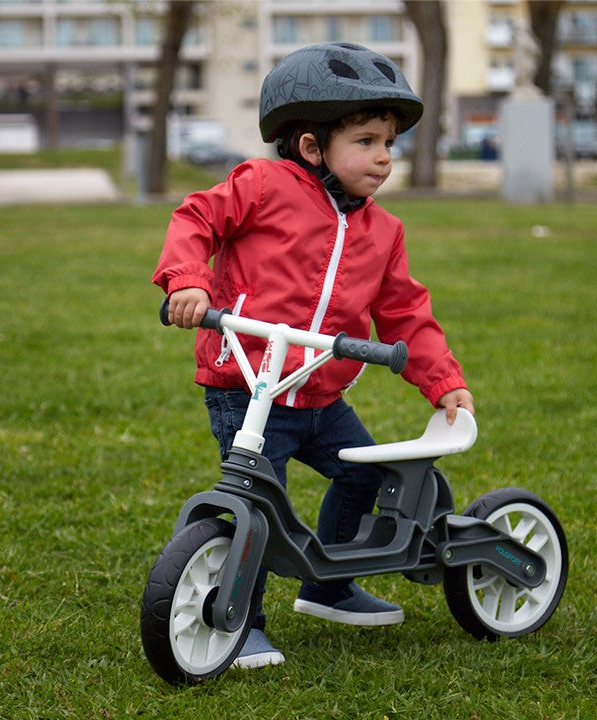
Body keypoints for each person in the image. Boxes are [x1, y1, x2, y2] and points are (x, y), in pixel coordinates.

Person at [152, 43, 474, 670]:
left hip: (321, 394)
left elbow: (406, 313)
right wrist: (188, 279)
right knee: (257, 504)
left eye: (390, 143)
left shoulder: (384, 230)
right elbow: (196, 218)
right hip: (248, 388)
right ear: (310, 146)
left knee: (364, 476)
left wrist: (442, 382)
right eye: (367, 141)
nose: (384, 157)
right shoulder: (263, 186)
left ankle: (328, 586)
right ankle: (241, 623)